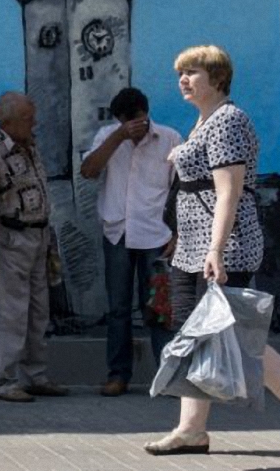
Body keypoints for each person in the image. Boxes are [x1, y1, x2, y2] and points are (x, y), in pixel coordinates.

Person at [145, 45, 280, 456]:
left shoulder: (228, 121)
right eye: (181, 73)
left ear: (217, 79)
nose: (183, 80)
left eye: (192, 72)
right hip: (192, 247)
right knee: (195, 336)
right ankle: (192, 429)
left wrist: (216, 249)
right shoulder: (203, 121)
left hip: (221, 247)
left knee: (239, 335)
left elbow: (228, 192)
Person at [0, 91, 70, 402]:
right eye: (28, 118)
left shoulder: (28, 147)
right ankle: (3, 380)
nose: (34, 123)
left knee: (38, 311)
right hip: (9, 238)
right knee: (10, 313)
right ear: (8, 121)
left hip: (38, 238)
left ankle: (34, 375)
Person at [81, 87, 181, 396]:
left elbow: (183, 190)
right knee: (118, 309)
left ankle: (167, 378)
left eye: (134, 121)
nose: (131, 127)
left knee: (159, 308)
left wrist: (178, 234)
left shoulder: (170, 139)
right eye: (123, 122)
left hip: (157, 236)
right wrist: (117, 138)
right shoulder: (108, 137)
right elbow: (89, 171)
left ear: (144, 114)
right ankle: (118, 375)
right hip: (118, 233)